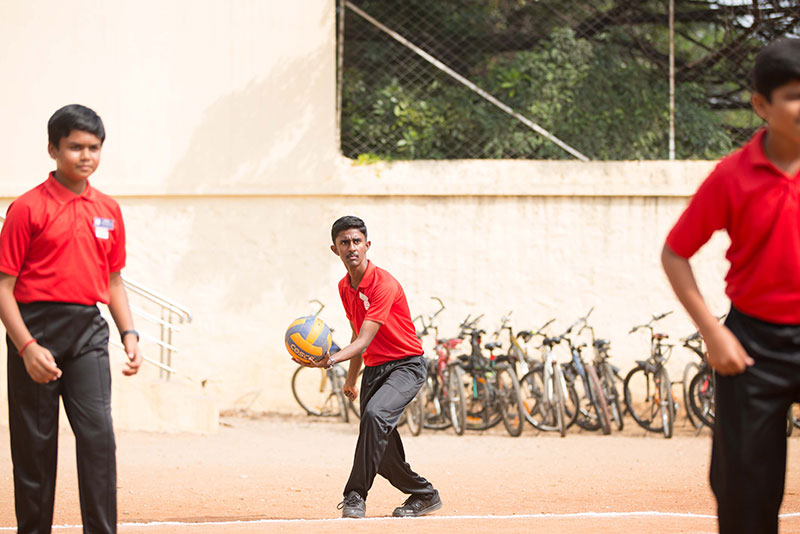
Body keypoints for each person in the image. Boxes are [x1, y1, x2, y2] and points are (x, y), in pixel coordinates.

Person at [661, 38, 800, 534]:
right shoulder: (732, 176)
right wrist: (713, 333)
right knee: (744, 488)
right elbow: (675, 252)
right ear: (761, 105)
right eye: (793, 95)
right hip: (751, 345)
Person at [0, 104, 143, 534]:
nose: (85, 156)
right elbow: (3, 288)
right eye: (75, 147)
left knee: (99, 437)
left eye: (94, 148)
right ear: (53, 149)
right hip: (35, 333)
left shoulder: (108, 209)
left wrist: (129, 333)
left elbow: (114, 281)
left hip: (88, 334)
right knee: (35, 449)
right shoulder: (26, 209)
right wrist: (26, 347)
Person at [300, 215, 441, 519]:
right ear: (334, 249)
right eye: (344, 242)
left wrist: (331, 360)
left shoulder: (383, 284)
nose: (351, 247)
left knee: (375, 416)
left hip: (406, 366)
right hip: (375, 371)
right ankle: (424, 494)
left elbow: (363, 340)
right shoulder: (344, 286)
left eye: (356, 241)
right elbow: (355, 332)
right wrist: (351, 380)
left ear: (367, 245)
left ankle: (354, 495)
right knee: (380, 444)